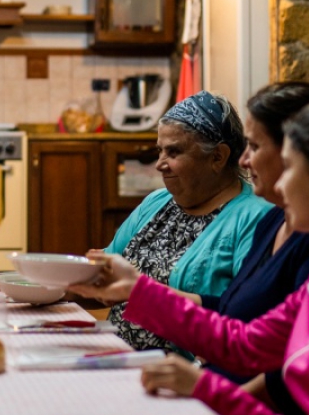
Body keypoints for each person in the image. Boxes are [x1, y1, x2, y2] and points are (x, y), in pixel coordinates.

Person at [69, 94, 309, 415]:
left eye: (290, 168)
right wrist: (136, 289)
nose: (279, 184)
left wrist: (208, 391)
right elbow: (243, 343)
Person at [102, 90, 272, 352]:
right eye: (159, 151)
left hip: (179, 368)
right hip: (115, 355)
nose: (159, 164)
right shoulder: (157, 202)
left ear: (218, 157)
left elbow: (241, 314)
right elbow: (105, 268)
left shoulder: (254, 217)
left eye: (173, 152)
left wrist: (139, 291)